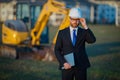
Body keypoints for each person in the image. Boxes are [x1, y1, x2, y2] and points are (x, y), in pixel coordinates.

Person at [54, 7, 96, 80]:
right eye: (73, 19)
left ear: (79, 20)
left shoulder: (83, 32)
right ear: (70, 18)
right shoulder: (62, 33)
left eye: (77, 20)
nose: (75, 22)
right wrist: (63, 63)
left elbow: (92, 40)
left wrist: (85, 26)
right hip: (67, 66)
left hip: (81, 66)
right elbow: (57, 50)